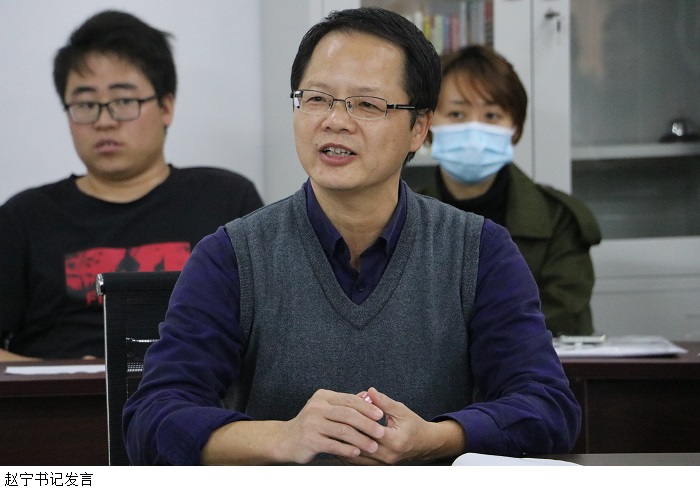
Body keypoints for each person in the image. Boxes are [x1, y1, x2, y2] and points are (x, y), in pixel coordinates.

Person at [123, 7, 580, 465]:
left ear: (419, 128)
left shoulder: (480, 251)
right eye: (317, 98)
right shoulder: (230, 256)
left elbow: (548, 408)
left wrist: (434, 438)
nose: (335, 121)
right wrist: (284, 438)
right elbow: (152, 419)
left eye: (367, 104)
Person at [0, 10, 263, 361]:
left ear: (166, 107)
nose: (104, 121)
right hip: (60, 393)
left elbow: (271, 330)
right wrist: (62, 373)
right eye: (86, 104)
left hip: (195, 390)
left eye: (124, 101)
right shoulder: (23, 218)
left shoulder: (227, 200)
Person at [420, 45, 601, 337]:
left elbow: (560, 315)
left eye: (492, 115)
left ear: (514, 127)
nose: (474, 130)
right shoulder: (398, 217)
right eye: (456, 113)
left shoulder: (559, 220)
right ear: (425, 126)